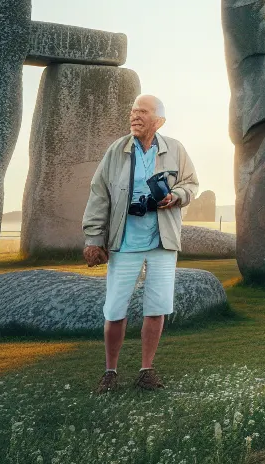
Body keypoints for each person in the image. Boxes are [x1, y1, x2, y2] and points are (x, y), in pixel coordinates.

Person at [82, 94, 200, 394]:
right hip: (124, 242)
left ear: (158, 120)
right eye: (133, 111)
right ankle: (110, 371)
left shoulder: (176, 149)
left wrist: (177, 196)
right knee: (114, 310)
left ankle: (146, 369)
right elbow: (99, 194)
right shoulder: (116, 151)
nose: (135, 116)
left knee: (157, 308)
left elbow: (191, 185)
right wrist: (94, 237)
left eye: (142, 112)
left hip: (162, 240)